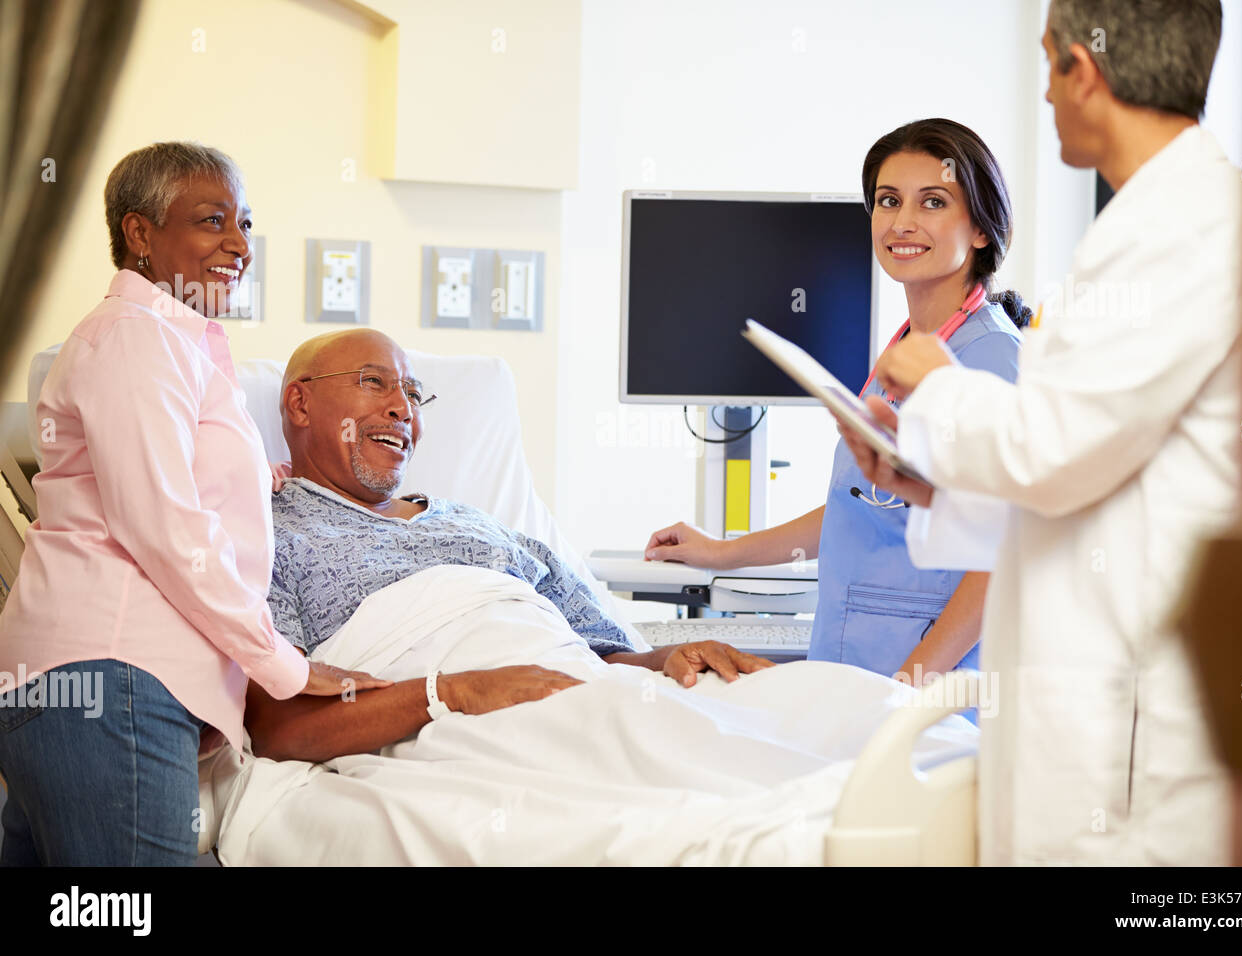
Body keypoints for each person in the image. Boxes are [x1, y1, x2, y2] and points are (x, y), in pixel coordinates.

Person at [836, 0, 1239, 865]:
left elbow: (1051, 453)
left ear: (1080, 71)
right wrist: (929, 482)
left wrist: (937, 386)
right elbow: (1096, 470)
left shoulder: (1178, 233)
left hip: (1131, 695)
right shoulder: (1152, 223)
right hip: (1088, 661)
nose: (1049, 94)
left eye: (1049, 64)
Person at [0, 143, 384, 866]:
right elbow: (165, 527)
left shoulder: (171, 344)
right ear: (140, 234)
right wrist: (285, 666)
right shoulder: (135, 340)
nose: (239, 245)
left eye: (244, 223)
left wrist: (261, 480)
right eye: (213, 221)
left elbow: (162, 481)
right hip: (113, 679)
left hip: (74, 683)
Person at [247, 329, 775, 762]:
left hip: (581, 699)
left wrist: (670, 658)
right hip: (464, 734)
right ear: (299, 403)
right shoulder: (268, 534)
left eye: (411, 392)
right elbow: (279, 728)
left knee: (783, 727)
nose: (402, 409)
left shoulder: (484, 527)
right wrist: (454, 691)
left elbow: (604, 657)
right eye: (374, 383)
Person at [645, 119, 1031, 689]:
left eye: (932, 202)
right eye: (887, 200)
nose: (903, 222)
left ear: (979, 228)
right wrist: (721, 553)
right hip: (856, 663)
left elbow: (1002, 553)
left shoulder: (989, 355)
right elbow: (859, 509)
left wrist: (910, 683)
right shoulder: (906, 349)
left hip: (924, 686)